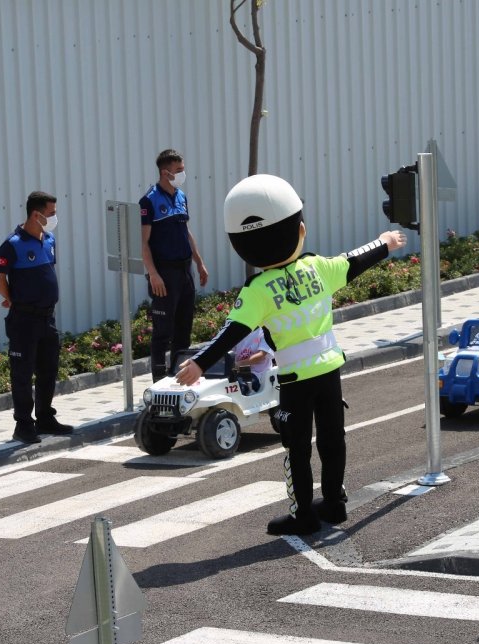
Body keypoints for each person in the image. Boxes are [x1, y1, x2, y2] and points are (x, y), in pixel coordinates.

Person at [175, 174, 407, 536]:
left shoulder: (258, 290)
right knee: (333, 440)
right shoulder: (318, 268)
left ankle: (303, 516)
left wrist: (201, 362)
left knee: (296, 447)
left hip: (296, 379)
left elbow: (231, 333)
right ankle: (334, 503)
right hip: (330, 370)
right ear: (300, 230)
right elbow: (354, 260)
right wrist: (385, 241)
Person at [0, 191, 74, 445]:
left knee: (48, 371)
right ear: (36, 215)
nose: (54, 218)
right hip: (24, 320)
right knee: (23, 373)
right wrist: (13, 298)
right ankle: (24, 424)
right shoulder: (13, 244)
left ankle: (45, 417)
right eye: (50, 214)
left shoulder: (49, 240)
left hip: (47, 318)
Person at [140, 149, 209, 381]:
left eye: (182, 169)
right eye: (178, 170)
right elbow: (144, 242)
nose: (183, 173)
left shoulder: (181, 196)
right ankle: (159, 382)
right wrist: (153, 274)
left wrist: (199, 262)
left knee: (183, 329)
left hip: (184, 271)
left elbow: (186, 232)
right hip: (164, 273)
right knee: (162, 332)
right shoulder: (149, 200)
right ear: (164, 172)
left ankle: (179, 377)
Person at [233, 327, 274, 394]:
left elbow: (261, 355)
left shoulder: (265, 332)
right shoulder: (237, 333)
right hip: (238, 373)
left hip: (258, 375)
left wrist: (237, 365)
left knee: (238, 387)